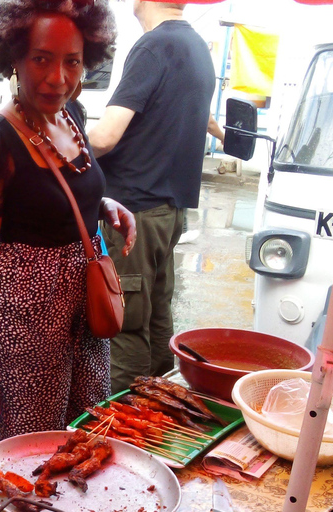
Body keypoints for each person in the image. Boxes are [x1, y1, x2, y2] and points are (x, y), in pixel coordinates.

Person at [0, 0, 137, 444]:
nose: (58, 78)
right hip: (27, 332)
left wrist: (102, 204)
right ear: (13, 57)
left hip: (88, 322)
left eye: (72, 62)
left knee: (87, 443)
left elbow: (63, 189)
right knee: (31, 457)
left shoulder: (71, 116)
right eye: (41, 59)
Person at [87, 0, 216, 394]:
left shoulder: (152, 47)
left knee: (123, 329)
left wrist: (58, 141)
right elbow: (205, 120)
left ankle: (119, 439)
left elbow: (105, 137)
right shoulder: (198, 48)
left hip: (135, 212)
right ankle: (157, 412)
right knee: (158, 321)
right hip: (170, 213)